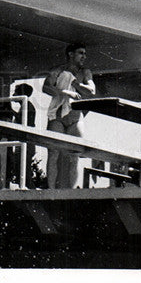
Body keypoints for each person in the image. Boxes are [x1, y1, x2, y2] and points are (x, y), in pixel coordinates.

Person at [43, 42, 95, 189]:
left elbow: (91, 91)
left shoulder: (85, 72)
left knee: (75, 155)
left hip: (75, 116)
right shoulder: (58, 70)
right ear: (70, 54)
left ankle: (71, 191)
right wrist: (65, 92)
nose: (84, 56)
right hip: (58, 116)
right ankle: (51, 189)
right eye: (80, 53)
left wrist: (75, 84)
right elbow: (46, 87)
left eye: (85, 53)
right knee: (53, 152)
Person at [8, 83, 37, 188]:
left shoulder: (28, 106)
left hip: (27, 142)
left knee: (23, 171)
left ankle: (31, 191)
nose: (14, 94)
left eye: (16, 92)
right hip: (26, 141)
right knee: (21, 170)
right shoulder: (26, 106)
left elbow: (26, 124)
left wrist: (12, 113)